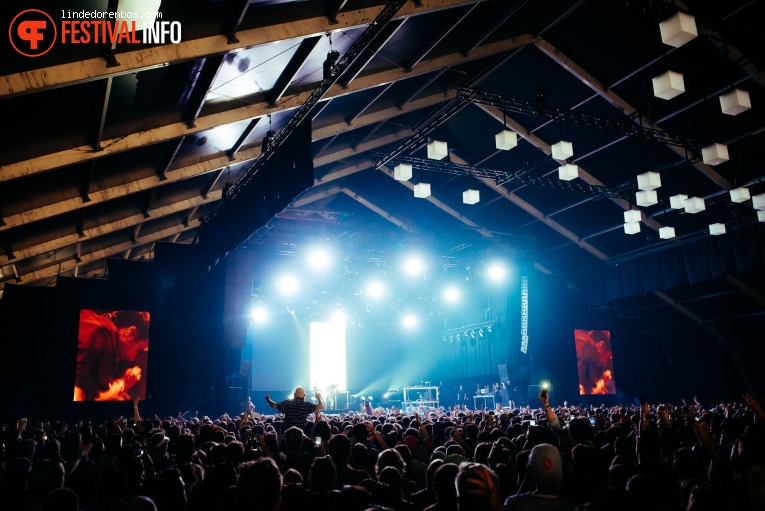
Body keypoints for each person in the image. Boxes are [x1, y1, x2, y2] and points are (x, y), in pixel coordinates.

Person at [73, 310, 150, 401]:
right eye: (139, 350)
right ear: (131, 332)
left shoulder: (99, 326)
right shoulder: (105, 339)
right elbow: (80, 397)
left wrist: (111, 395)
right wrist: (123, 383)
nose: (132, 358)